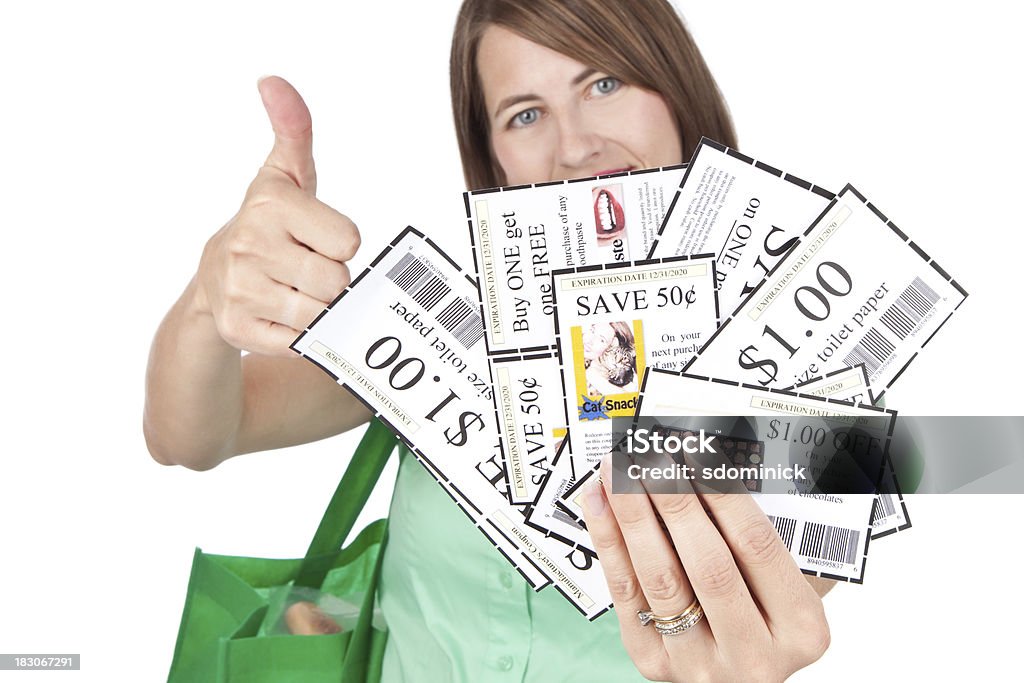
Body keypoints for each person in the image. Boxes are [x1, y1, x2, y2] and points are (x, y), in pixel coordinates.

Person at [144, 0, 834, 679]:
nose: (575, 145)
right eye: (525, 113)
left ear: (676, 90)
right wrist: (206, 305)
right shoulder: (440, 314)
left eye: (604, 83)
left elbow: (798, 593)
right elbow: (190, 437)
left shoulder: (808, 342)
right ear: (493, 155)